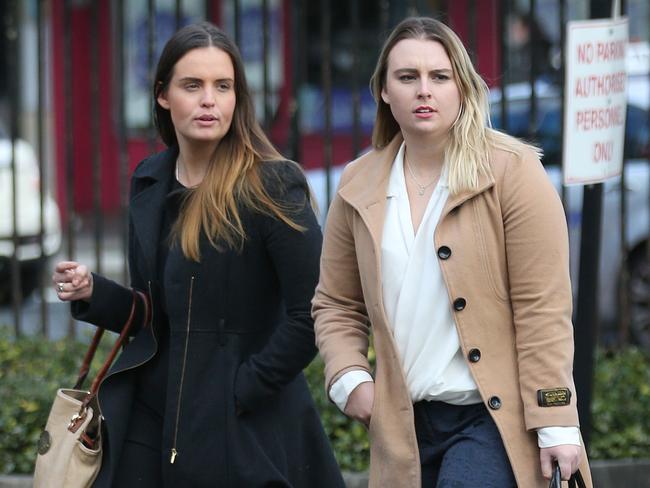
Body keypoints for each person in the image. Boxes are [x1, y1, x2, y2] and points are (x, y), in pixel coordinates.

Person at [53, 21, 344, 488]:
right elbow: (157, 313)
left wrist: (245, 388)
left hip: (241, 420)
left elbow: (311, 311)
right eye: (193, 85)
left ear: (237, 98)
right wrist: (95, 292)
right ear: (164, 95)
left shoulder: (271, 185)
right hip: (153, 411)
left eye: (223, 86)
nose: (209, 100)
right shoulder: (150, 180)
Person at [312, 17, 592, 488]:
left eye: (440, 77)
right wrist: (350, 379)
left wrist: (556, 420)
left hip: (491, 420)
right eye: (407, 77)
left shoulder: (511, 172)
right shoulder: (357, 184)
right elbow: (336, 302)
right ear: (383, 90)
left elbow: (542, 306)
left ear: (462, 87)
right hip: (401, 425)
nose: (424, 91)